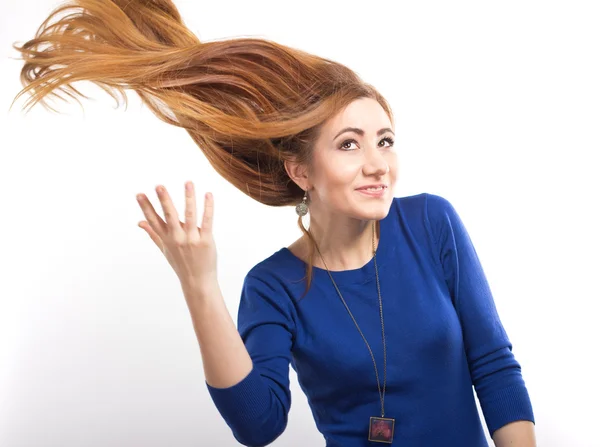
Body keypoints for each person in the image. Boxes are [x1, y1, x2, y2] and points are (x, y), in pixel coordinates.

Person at [12, 0, 536, 445]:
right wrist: (198, 283)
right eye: (349, 144)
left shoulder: (430, 222)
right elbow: (258, 423)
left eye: (385, 140)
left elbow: (493, 364)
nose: (377, 163)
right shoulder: (274, 286)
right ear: (301, 170)